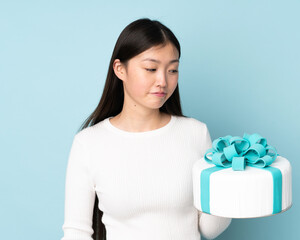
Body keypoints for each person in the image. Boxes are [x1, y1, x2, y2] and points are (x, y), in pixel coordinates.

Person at [61, 18, 232, 240]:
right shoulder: (89, 143)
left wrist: (227, 179)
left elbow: (209, 229)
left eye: (172, 70)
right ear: (120, 69)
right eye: (151, 68)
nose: (162, 80)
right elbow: (76, 234)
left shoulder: (195, 133)